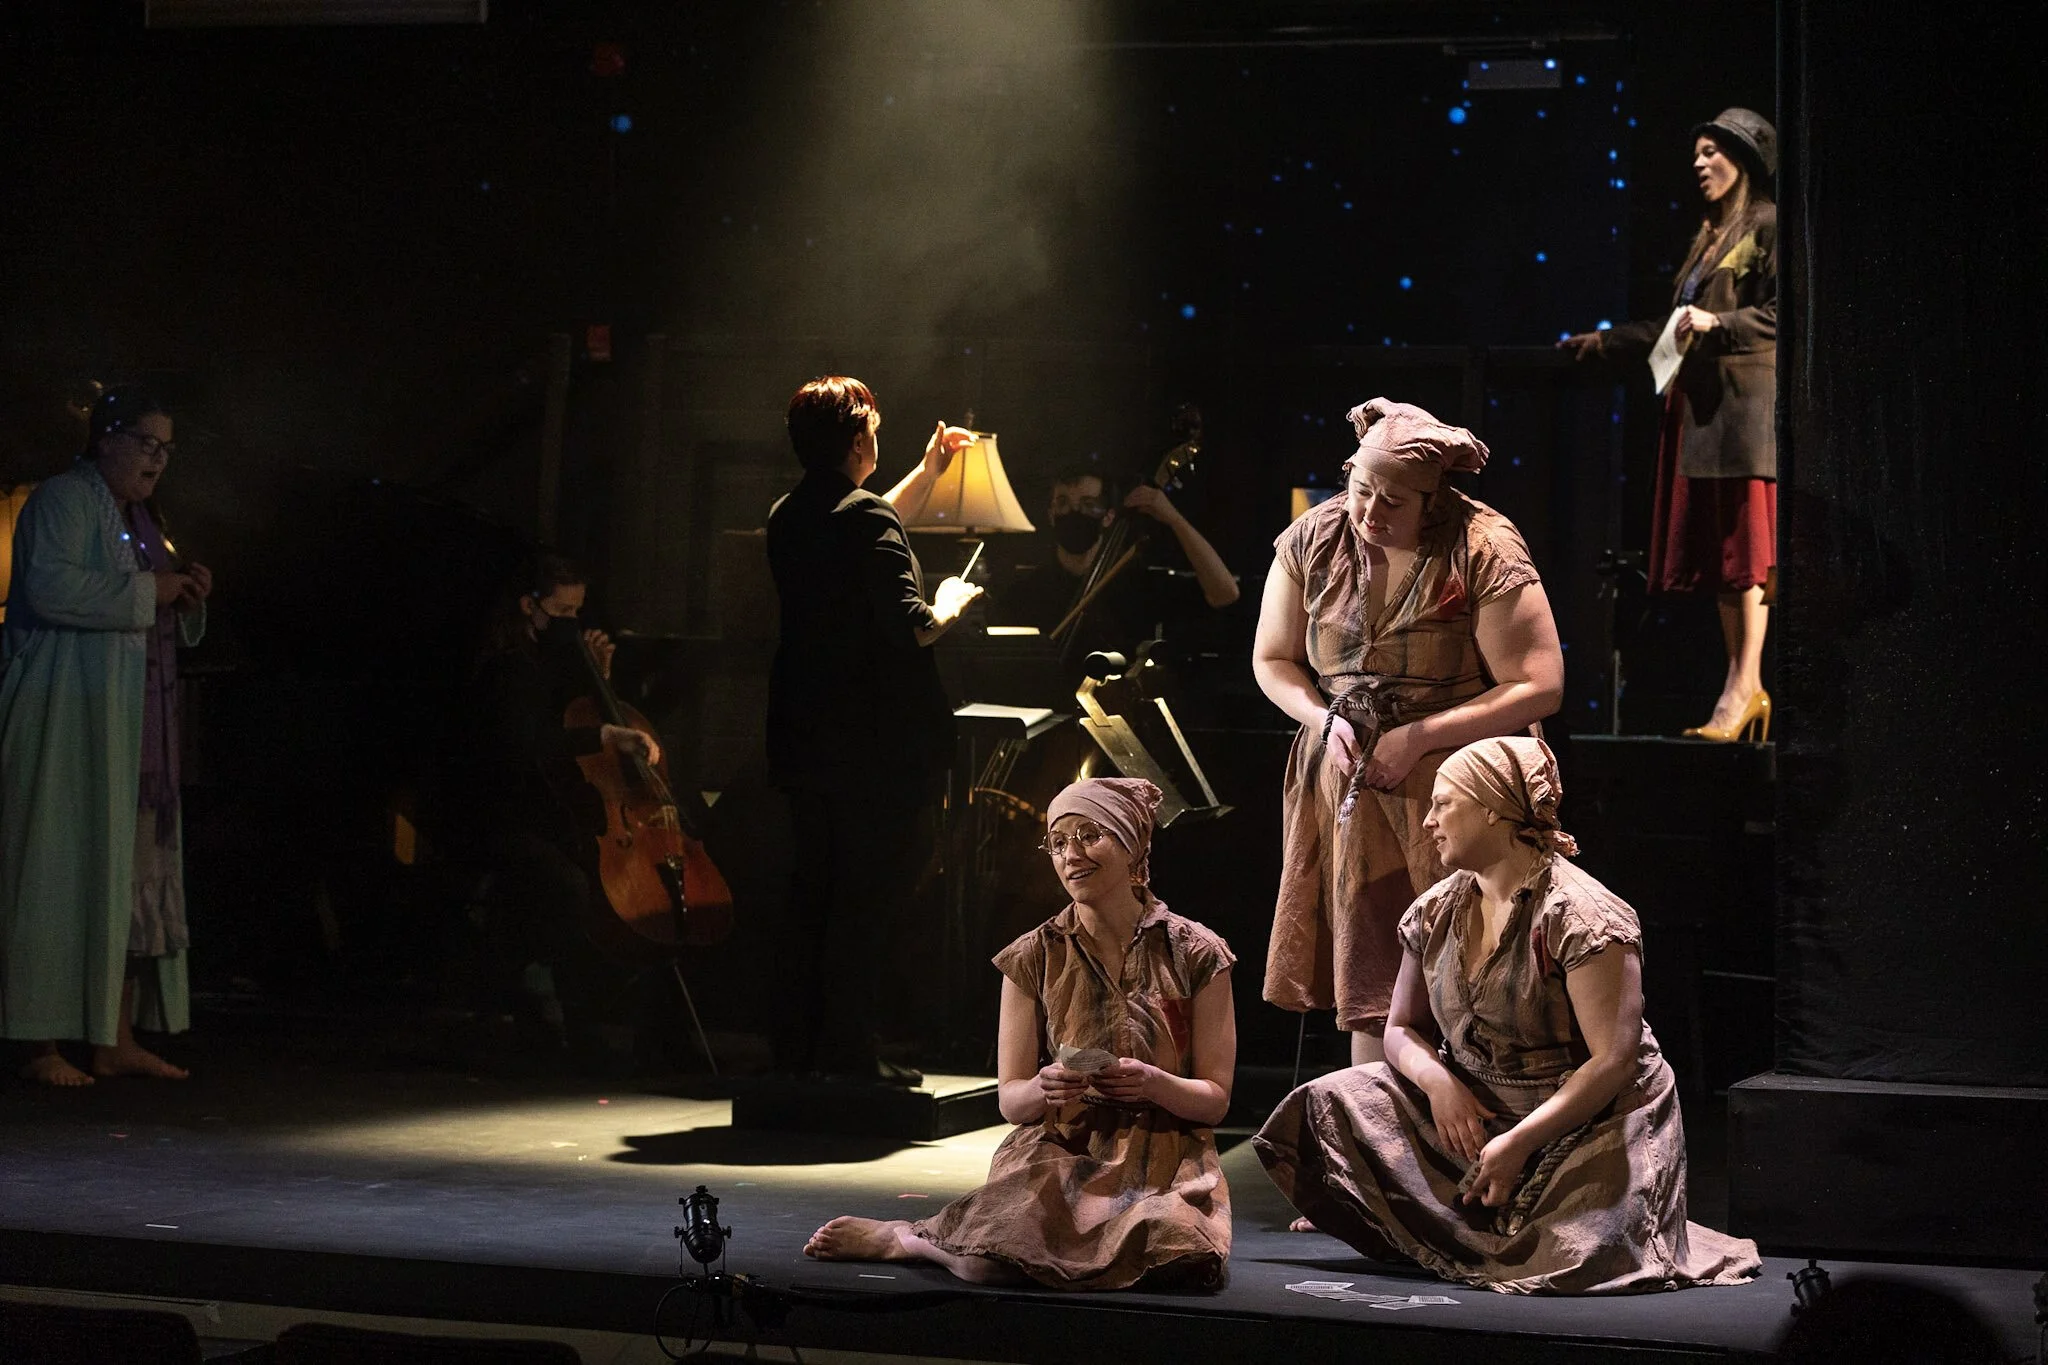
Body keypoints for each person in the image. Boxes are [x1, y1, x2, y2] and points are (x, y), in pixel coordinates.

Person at [1255, 737, 1762, 1294]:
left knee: (1582, 1255)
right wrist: (1439, 1084)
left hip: (1589, 1113)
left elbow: (1614, 1061)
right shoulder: (1435, 911)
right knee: (1325, 1103)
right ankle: (1478, 1218)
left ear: (1493, 808)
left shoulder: (1583, 917)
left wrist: (1517, 1144)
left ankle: (1496, 1222)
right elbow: (1399, 1029)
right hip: (1476, 1107)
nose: (1427, 822)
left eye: (1442, 804)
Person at [805, 777, 1235, 1290]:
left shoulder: (1197, 952)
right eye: (1057, 842)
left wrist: (1153, 1084)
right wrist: (1045, 1086)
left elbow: (1214, 1100)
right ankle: (909, 1238)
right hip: (1061, 1146)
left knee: (1180, 1263)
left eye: (1089, 835)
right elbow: (1012, 1102)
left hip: (1161, 1150)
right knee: (988, 1263)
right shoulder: (1032, 956)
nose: (1070, 854)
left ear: (1132, 844)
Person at [1254, 398, 1562, 1068]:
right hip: (1347, 773)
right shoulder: (1315, 537)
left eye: (1392, 500)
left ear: (1434, 496)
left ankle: (1473, 1116)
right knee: (1369, 963)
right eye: (1360, 491)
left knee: (1460, 958)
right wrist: (1323, 717)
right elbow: (1272, 659)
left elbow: (1539, 684)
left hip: (1456, 781)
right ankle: (1375, 1128)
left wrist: (1419, 736)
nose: (1369, 513)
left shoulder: (1483, 545)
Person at [767, 376, 983, 1085]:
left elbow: (856, 525)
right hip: (873, 748)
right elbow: (912, 625)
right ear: (861, 439)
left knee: (816, 893)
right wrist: (948, 601)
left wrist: (925, 473)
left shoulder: (790, 514)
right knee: (867, 898)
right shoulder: (864, 520)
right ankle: (852, 1054)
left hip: (805, 738)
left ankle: (801, 1050)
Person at [0, 384, 215, 1086]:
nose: (158, 459)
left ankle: (113, 1035)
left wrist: (183, 594)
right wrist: (149, 591)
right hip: (69, 716)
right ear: (106, 440)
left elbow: (147, 607)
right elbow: (50, 586)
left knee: (123, 877)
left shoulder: (143, 518)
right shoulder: (63, 499)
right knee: (56, 872)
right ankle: (36, 1042)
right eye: (146, 442)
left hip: (132, 723)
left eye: (167, 448)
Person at [1561, 108, 1778, 742]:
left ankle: (1745, 686)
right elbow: (1676, 327)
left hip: (1743, 413)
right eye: (1695, 154)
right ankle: (1741, 687)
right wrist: (1608, 341)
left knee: (1747, 555)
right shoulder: (1710, 237)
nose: (1699, 164)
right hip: (1704, 411)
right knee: (1722, 561)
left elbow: (1784, 314)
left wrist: (1722, 326)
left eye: (1712, 151)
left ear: (1744, 156)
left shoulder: (1764, 225)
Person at [442, 551, 662, 1063]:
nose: (572, 623)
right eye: (562, 612)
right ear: (528, 605)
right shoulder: (506, 667)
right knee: (567, 886)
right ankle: (530, 994)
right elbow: (533, 744)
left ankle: (583, 1024)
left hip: (548, 812)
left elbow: (582, 719)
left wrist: (600, 676)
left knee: (595, 878)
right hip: (497, 815)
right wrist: (605, 731)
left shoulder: (554, 660)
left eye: (577, 612)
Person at [987, 463, 1239, 677]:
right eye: (1063, 503)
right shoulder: (1027, 590)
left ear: (1108, 516)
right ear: (1051, 514)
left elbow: (1225, 593)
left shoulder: (1136, 582)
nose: (1074, 513)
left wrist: (1174, 519)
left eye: (1088, 504)